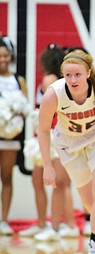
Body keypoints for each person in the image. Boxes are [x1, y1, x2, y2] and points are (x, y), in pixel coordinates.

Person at [38, 51, 95, 254]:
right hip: (69, 142)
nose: (72, 79)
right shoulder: (54, 94)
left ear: (88, 73)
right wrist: (48, 166)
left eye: (77, 74)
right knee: (90, 203)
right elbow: (43, 130)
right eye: (68, 75)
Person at [19, 44, 80, 240]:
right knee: (41, 180)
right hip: (46, 135)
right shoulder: (57, 80)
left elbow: (51, 110)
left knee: (57, 183)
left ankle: (53, 227)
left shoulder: (49, 80)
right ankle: (45, 224)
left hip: (53, 135)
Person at [0, 36, 28, 235]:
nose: (3, 59)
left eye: (6, 55)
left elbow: (25, 107)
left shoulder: (18, 80)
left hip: (10, 136)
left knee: (7, 177)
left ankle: (4, 220)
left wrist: (15, 113)